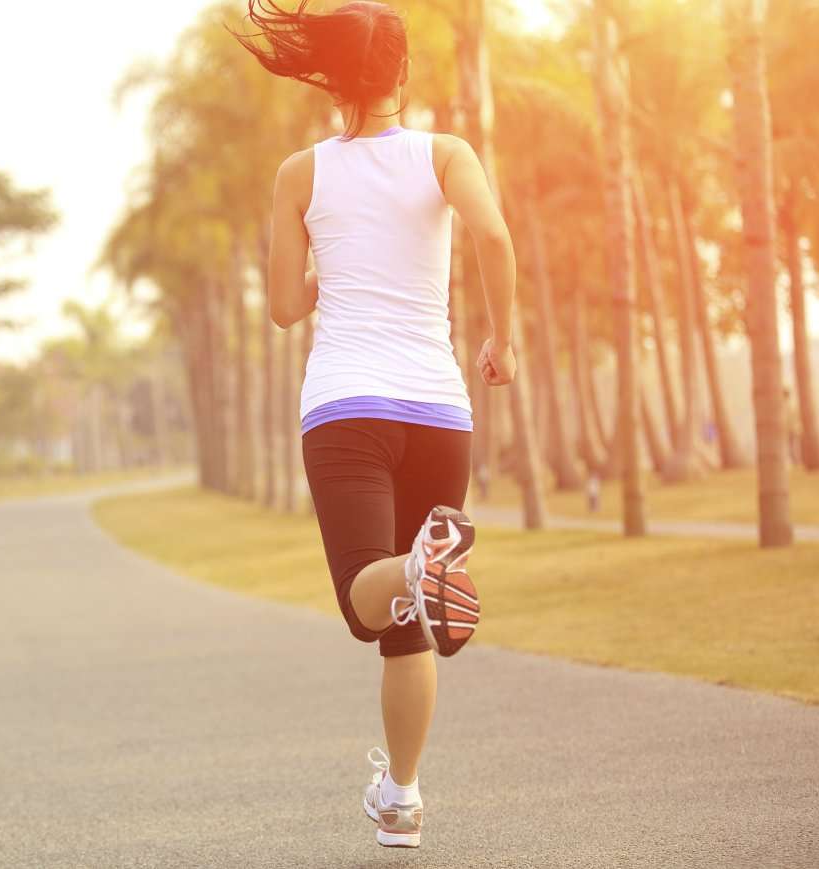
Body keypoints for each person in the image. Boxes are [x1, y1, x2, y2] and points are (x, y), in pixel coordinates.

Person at [232, 0, 518, 850]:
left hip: (348, 407)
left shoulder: (301, 174)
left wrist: (330, 277)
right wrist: (503, 338)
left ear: (329, 77)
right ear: (400, 73)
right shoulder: (446, 154)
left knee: (372, 600)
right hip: (439, 409)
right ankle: (400, 794)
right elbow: (495, 236)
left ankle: (420, 562)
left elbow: (286, 307)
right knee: (407, 620)